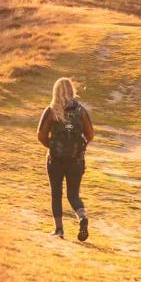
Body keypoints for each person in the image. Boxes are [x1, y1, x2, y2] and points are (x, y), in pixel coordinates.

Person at [36, 77, 94, 240]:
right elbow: (90, 135)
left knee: (56, 194)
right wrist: (77, 148)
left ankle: (59, 230)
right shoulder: (81, 111)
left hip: (55, 160)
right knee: (73, 195)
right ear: (71, 90)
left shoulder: (51, 110)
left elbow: (40, 135)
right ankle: (82, 217)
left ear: (55, 91)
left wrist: (53, 147)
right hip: (76, 161)